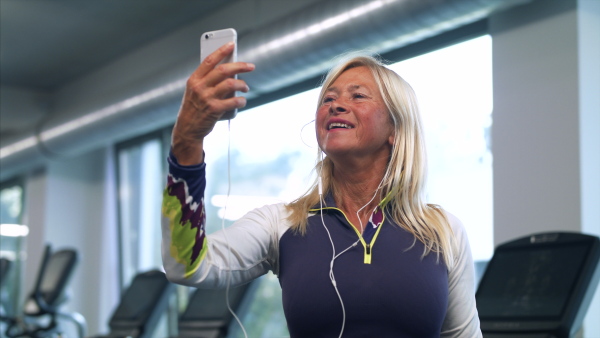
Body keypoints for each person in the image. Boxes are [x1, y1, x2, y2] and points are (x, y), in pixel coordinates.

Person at [161, 41, 482, 337]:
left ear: (395, 129)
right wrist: (186, 144)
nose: (336, 105)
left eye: (357, 96)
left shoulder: (444, 232)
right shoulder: (282, 224)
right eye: (328, 98)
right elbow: (187, 265)